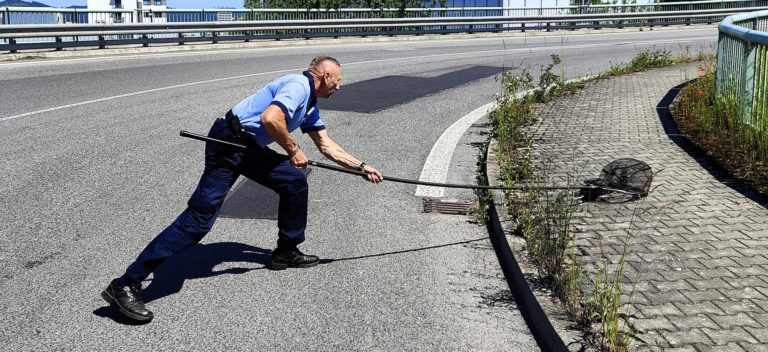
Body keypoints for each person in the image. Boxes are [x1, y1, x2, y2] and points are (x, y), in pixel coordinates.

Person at [101, 55, 382, 322]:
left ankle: (286, 250)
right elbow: (271, 118)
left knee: (294, 181)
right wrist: (293, 148)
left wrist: (360, 167)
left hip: (249, 148)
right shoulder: (298, 86)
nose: (339, 86)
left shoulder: (309, 104)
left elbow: (326, 146)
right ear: (326, 75)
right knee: (198, 221)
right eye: (338, 80)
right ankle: (125, 283)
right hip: (229, 143)